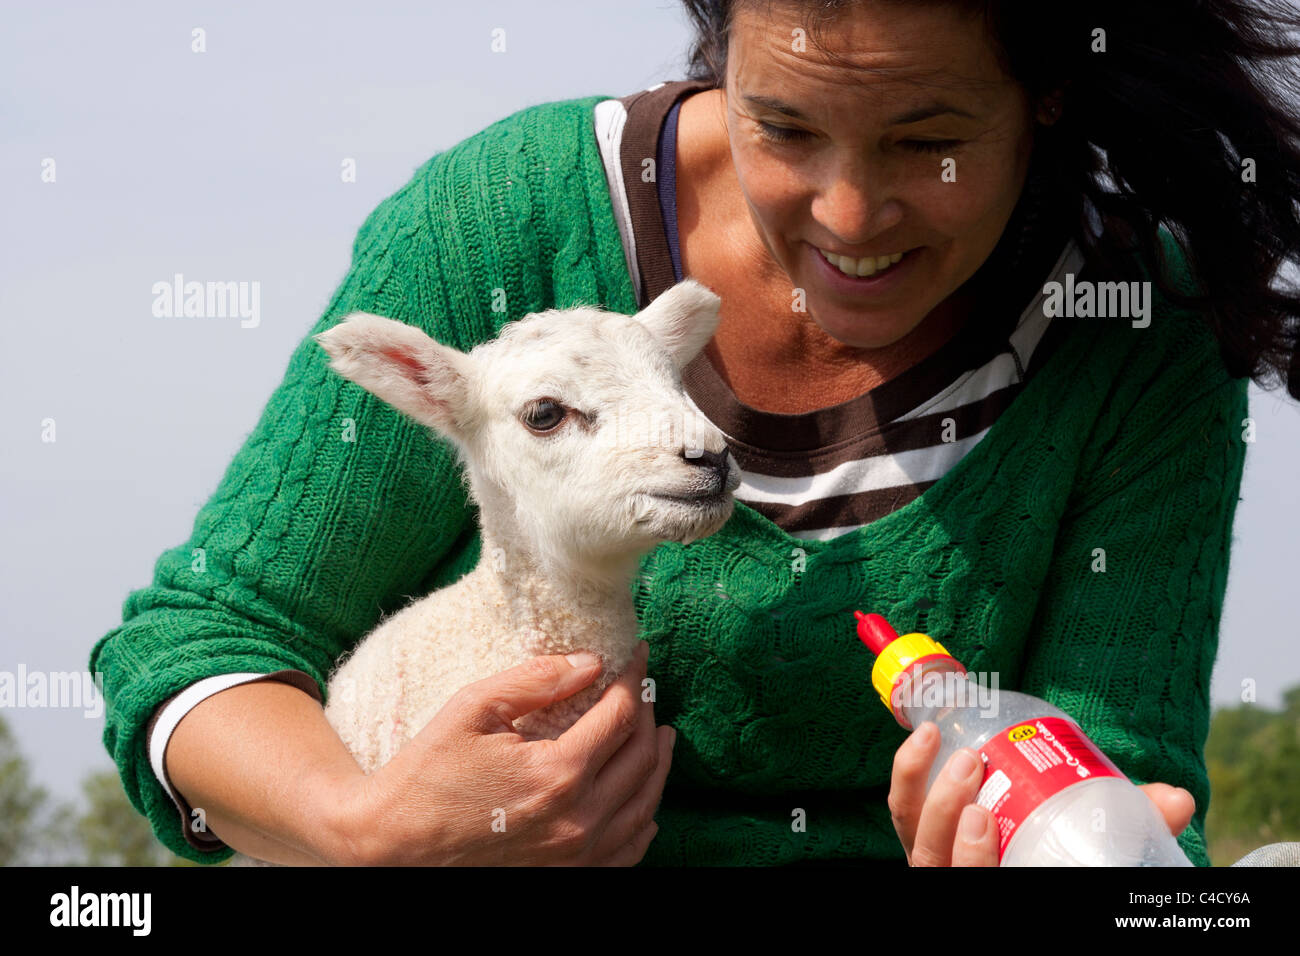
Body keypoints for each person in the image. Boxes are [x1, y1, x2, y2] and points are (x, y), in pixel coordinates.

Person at [91, 0, 1300, 867]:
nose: (846, 214)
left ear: (1046, 89)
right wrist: (366, 830)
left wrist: (1035, 834)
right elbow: (207, 644)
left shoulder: (1132, 327)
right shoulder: (507, 224)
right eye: (784, 127)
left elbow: (1130, 787)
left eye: (925, 140)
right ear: (718, 50)